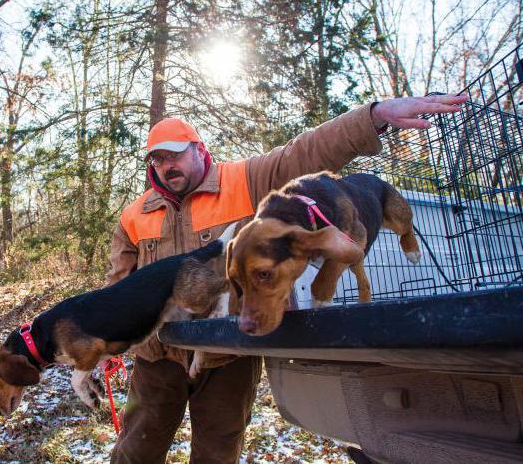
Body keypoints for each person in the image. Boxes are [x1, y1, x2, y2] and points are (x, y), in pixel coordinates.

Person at [107, 94, 468, 464]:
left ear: (199, 149)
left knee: (217, 453)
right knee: (136, 451)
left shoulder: (244, 180)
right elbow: (119, 288)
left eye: (175, 154)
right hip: (157, 356)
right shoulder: (134, 214)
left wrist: (372, 116)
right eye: (158, 159)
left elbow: (306, 152)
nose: (167, 166)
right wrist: (106, 340)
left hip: (230, 353)